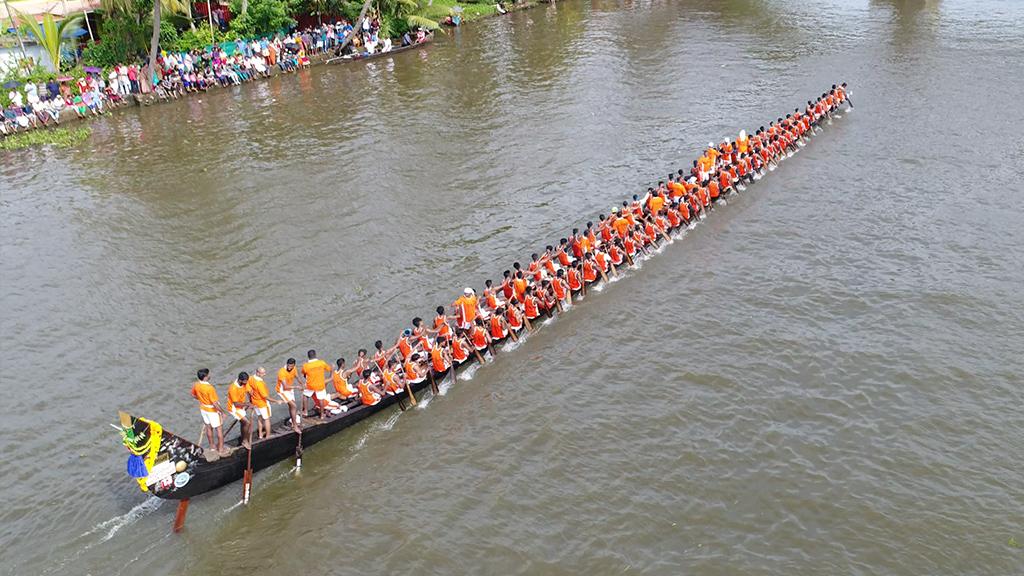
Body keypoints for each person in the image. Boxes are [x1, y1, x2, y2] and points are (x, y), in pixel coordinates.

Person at [190, 368, 225, 453]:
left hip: (203, 408)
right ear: (205, 377)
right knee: (219, 430)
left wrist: (202, 399)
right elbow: (215, 403)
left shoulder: (196, 385)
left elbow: (193, 395)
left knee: (208, 428)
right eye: (208, 374)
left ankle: (212, 447)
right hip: (212, 410)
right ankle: (221, 449)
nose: (209, 376)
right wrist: (222, 412)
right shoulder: (210, 388)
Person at [302, 349, 337, 418]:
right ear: (315, 355)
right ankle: (321, 415)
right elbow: (329, 369)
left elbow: (304, 373)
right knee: (321, 399)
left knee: (305, 396)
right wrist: (332, 368)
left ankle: (305, 411)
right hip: (320, 384)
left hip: (310, 384)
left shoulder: (306, 365)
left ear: (308, 357)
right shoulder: (321, 363)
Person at [247, 367, 275, 439]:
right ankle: (268, 436)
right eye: (263, 373)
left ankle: (260, 434)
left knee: (260, 417)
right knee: (267, 419)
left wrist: (250, 400)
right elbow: (265, 396)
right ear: (258, 373)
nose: (264, 374)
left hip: (255, 402)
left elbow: (248, 390)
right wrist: (276, 401)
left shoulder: (250, 378)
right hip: (263, 403)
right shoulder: (260, 383)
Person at [228, 372, 253, 449]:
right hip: (234, 408)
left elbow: (249, 391)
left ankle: (244, 438)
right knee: (247, 423)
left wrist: (251, 400)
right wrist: (247, 404)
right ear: (240, 380)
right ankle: (244, 441)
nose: (246, 383)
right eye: (245, 381)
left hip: (241, 406)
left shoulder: (245, 383)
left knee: (243, 423)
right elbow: (236, 404)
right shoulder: (233, 388)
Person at [276, 358, 302, 432]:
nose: (289, 367)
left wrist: (302, 384)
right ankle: (295, 426)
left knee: (292, 406)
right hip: (282, 391)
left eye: (291, 366)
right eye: (288, 366)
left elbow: (297, 377)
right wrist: (297, 387)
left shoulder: (294, 368)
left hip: (290, 390)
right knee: (294, 406)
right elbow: (285, 386)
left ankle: (293, 421)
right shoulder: (282, 372)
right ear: (287, 364)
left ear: (294, 365)